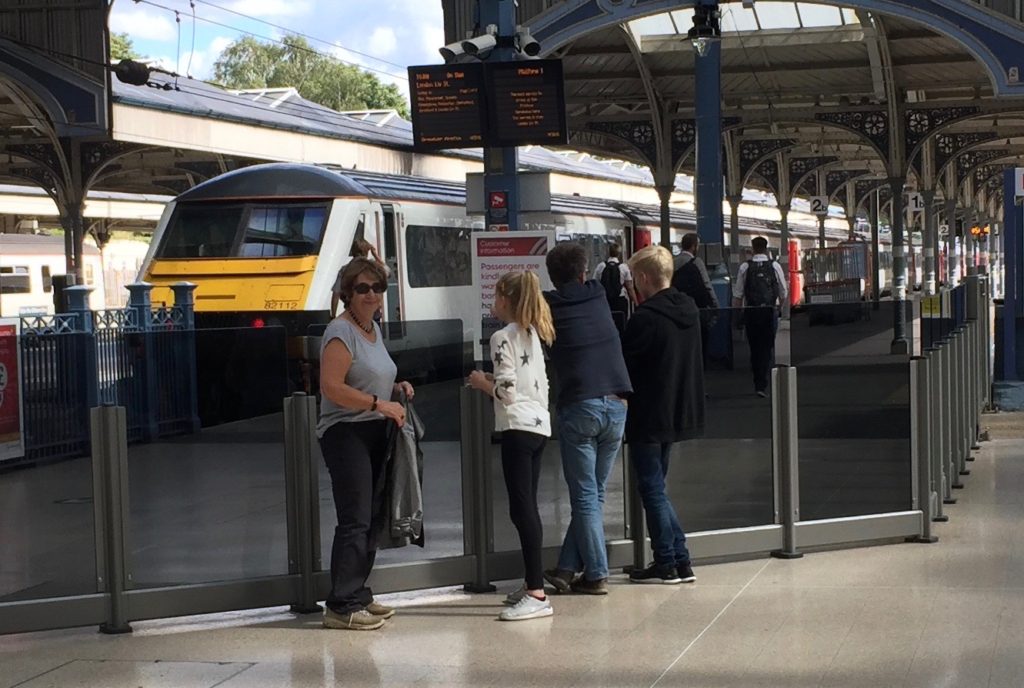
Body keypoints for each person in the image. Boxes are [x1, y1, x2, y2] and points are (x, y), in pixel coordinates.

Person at [318, 257, 415, 631]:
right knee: (355, 519)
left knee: (372, 518)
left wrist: (395, 389)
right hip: (346, 432)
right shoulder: (340, 332)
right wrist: (378, 404)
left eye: (377, 288)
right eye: (362, 288)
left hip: (375, 429)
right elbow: (332, 387)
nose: (371, 294)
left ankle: (358, 593)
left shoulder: (371, 328)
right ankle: (340, 605)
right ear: (347, 293)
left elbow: (368, 376)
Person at [543, 242, 633, 595]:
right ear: (584, 273)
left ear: (551, 277)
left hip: (580, 406)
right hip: (617, 404)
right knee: (591, 495)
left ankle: (596, 573)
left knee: (584, 496)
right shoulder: (597, 294)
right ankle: (566, 568)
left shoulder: (548, 306)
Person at [467, 271, 556, 621]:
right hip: (538, 426)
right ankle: (532, 582)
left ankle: (536, 591)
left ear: (506, 298)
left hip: (517, 428)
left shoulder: (501, 337)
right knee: (528, 507)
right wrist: (495, 381)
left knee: (522, 510)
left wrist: (480, 382)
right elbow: (530, 383)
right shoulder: (534, 333)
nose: (493, 301)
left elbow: (505, 392)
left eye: (496, 295)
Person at [621, 245, 704, 584]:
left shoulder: (644, 319)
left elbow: (626, 366)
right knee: (657, 486)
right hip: (678, 410)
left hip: (648, 413)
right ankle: (679, 560)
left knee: (652, 488)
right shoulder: (689, 310)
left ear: (643, 278)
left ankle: (669, 561)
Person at [733, 237, 788, 398]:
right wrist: (779, 309)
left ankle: (758, 380)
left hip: (751, 313)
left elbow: (738, 295)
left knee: (754, 347)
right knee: (767, 346)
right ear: (766, 248)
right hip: (769, 312)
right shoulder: (774, 266)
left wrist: (736, 316)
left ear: (752, 248)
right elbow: (783, 292)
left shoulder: (745, 267)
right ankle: (763, 380)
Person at [671, 233, 720, 363]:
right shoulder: (697, 262)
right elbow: (707, 285)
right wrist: (715, 305)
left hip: (677, 309)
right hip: (697, 309)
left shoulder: (673, 262)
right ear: (694, 246)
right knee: (700, 341)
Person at [331, 238, 387, 318]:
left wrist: (333, 315)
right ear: (366, 252)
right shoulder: (372, 267)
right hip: (371, 313)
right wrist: (375, 255)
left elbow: (336, 293)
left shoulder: (344, 269)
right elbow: (388, 272)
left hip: (353, 313)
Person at [593, 243, 636, 328]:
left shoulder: (600, 266)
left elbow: (595, 284)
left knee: (606, 325)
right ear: (619, 254)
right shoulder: (624, 267)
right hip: (620, 301)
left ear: (609, 252)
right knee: (621, 324)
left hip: (605, 300)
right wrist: (636, 303)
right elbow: (630, 288)